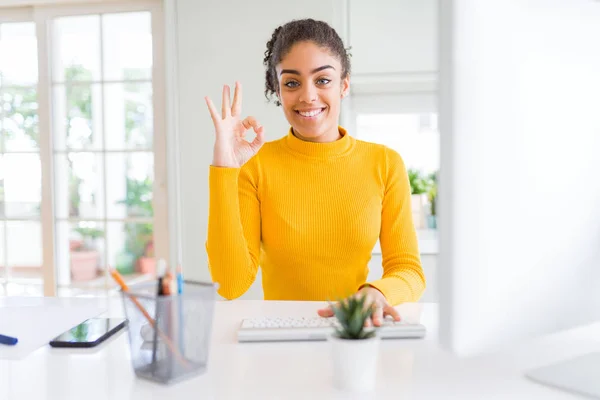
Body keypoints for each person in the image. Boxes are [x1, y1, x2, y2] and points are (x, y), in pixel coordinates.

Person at [205, 18, 425, 327]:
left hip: (354, 332)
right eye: (292, 83)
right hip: (280, 338)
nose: (308, 96)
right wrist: (225, 168)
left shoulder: (385, 163)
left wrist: (377, 292)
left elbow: (409, 270)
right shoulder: (255, 165)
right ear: (277, 90)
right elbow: (230, 284)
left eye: (322, 80)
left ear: (344, 85)